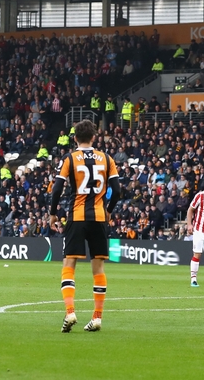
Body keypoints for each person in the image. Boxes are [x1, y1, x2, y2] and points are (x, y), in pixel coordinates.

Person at [49, 120, 120, 333]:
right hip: (99, 217)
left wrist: (53, 213)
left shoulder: (70, 159)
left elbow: (57, 190)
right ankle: (97, 317)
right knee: (98, 267)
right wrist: (109, 210)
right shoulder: (107, 159)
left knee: (69, 263)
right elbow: (117, 191)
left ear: (75, 138)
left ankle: (70, 312)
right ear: (94, 137)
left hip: (77, 216)